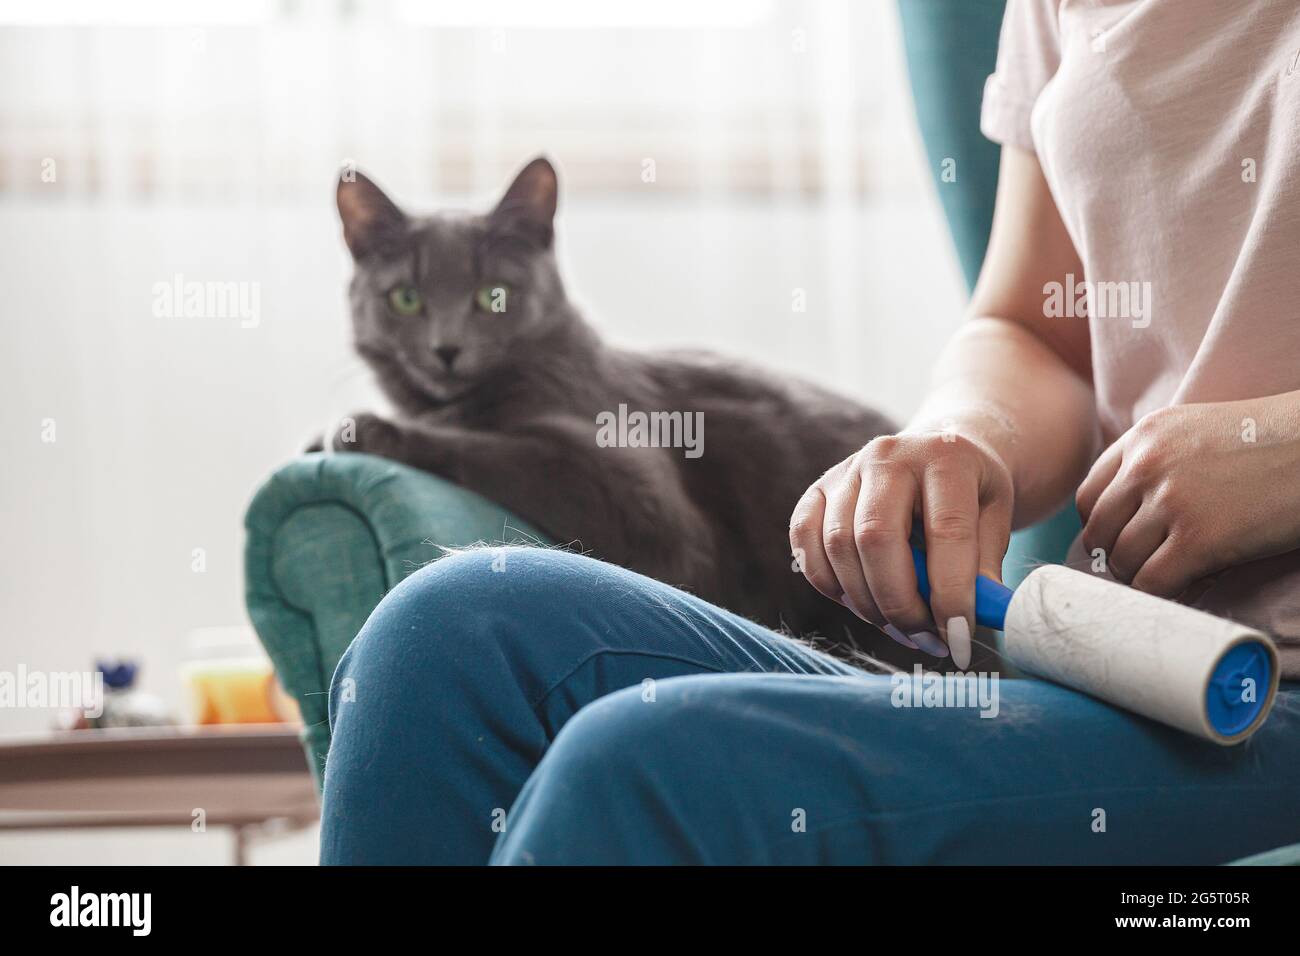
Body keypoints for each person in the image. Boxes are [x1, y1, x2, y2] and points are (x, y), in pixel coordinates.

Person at [319, 0, 1300, 864]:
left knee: (661, 761)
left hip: (1271, 696)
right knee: (440, 638)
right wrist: (964, 437)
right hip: (1121, 659)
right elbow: (1037, 330)